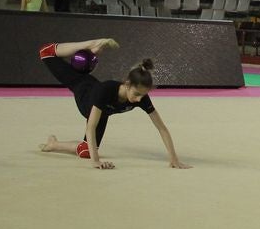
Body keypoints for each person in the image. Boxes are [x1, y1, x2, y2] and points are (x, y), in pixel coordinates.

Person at [37, 39, 191, 170]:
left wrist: (174, 159)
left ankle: (54, 144)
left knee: (86, 151)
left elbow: (162, 128)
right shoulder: (106, 90)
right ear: (127, 84)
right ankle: (90, 44)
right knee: (46, 52)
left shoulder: (141, 98)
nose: (139, 100)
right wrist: (96, 162)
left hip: (103, 111)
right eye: (136, 94)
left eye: (142, 95)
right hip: (84, 91)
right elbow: (91, 126)